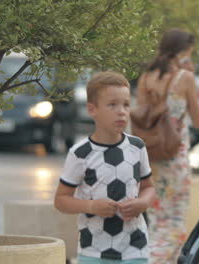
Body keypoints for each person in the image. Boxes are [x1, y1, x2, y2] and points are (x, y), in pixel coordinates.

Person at [54, 71, 156, 264]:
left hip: (135, 248)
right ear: (92, 110)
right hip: (93, 250)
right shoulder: (80, 153)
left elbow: (148, 187)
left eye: (126, 104)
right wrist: (92, 206)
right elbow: (61, 200)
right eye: (112, 105)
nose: (122, 111)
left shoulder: (137, 147)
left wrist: (142, 204)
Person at [135, 29, 199, 263]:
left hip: (151, 154)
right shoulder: (184, 77)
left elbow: (143, 114)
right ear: (184, 51)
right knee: (174, 220)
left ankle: (150, 256)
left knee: (155, 217)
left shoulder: (147, 76)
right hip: (175, 155)